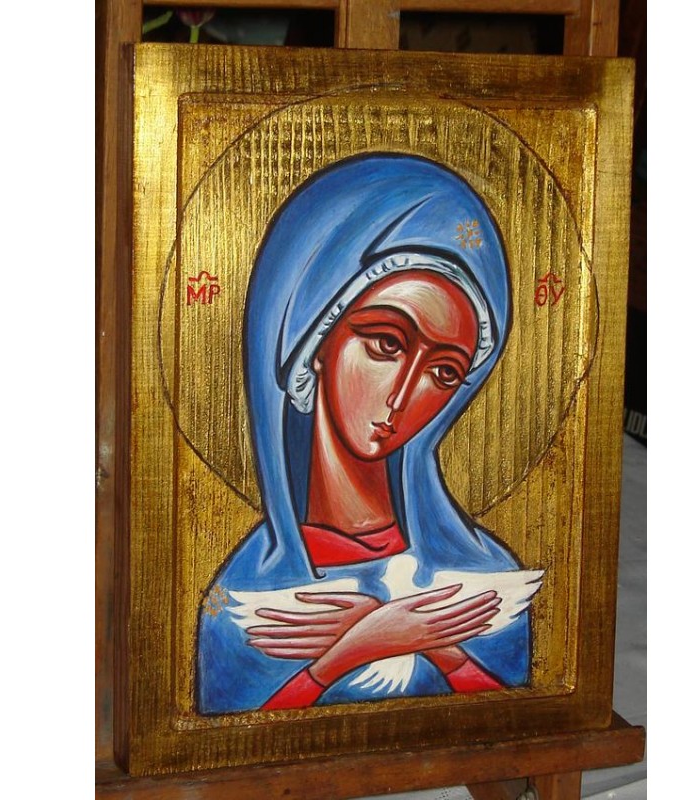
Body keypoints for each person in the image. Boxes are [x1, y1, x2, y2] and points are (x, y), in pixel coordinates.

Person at [197, 153, 535, 714]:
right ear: (315, 339)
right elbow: (225, 734)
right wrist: (358, 646)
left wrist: (435, 645)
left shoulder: (486, 576)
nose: (402, 396)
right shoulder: (247, 591)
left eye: (443, 372)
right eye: (386, 343)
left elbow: (517, 721)